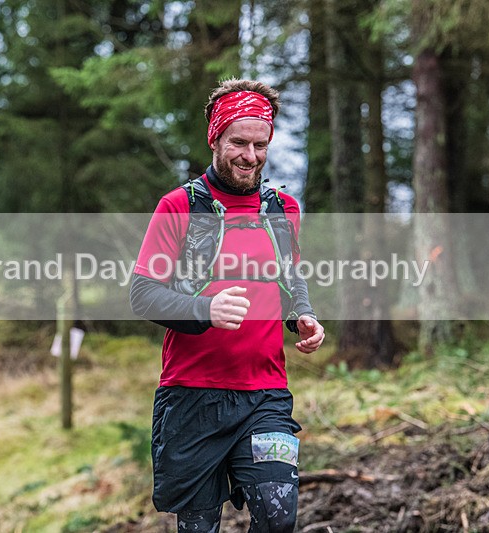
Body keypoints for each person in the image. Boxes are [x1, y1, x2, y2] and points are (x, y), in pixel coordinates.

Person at [130, 79, 324, 532]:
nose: (250, 156)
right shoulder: (179, 205)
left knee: (278, 519)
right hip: (193, 396)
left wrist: (303, 316)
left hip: (265, 394)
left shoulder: (282, 209)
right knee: (198, 526)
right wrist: (204, 309)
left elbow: (290, 275)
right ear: (214, 138)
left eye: (260, 145)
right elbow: (142, 293)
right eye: (239, 142)